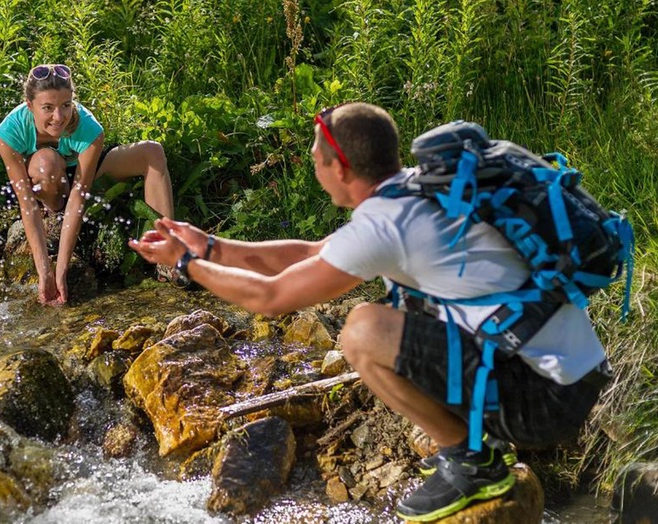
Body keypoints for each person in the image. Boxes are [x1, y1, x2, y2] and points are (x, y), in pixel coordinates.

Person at [129, 102, 611, 521]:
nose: (312, 169)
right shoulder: (413, 193)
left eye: (315, 160)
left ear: (339, 169)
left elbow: (270, 298)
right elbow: (310, 253)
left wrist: (187, 264)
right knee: (392, 316)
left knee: (362, 331)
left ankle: (469, 460)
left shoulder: (385, 227)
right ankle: (474, 446)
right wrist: (211, 245)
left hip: (546, 399)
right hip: (568, 374)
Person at [0, 63, 175, 305]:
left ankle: (166, 255)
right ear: (30, 106)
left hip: (85, 182)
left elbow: (79, 197)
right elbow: (26, 203)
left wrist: (62, 270)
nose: (58, 117)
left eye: (66, 106)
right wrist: (47, 272)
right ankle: (53, 216)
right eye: (47, 108)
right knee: (46, 162)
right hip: (48, 186)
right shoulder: (10, 131)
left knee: (152, 152)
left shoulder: (89, 127)